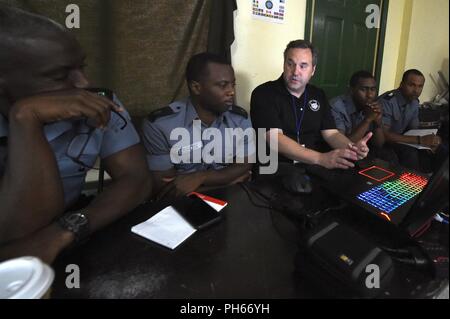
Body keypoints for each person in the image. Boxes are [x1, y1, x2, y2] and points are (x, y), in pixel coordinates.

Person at [0, 7, 151, 263]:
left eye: (82, 66)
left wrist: (67, 230)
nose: (83, 83)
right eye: (60, 75)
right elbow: (17, 232)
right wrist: (26, 117)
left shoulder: (98, 104)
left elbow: (137, 180)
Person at [142, 52, 254, 199]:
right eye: (223, 85)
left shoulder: (239, 118)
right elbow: (167, 189)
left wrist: (201, 177)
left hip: (231, 199)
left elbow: (244, 165)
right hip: (182, 206)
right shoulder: (160, 125)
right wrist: (230, 182)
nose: (231, 92)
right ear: (196, 87)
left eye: (233, 84)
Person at [250, 40, 371, 172]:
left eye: (303, 66)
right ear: (284, 65)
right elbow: (274, 139)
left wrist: (352, 148)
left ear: (313, 70)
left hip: (312, 167)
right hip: (275, 168)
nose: (295, 72)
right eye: (290, 64)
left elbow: (331, 134)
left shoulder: (318, 94)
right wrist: (320, 158)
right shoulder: (264, 93)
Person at [380, 69, 442, 171]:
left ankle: (433, 183)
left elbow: (413, 130)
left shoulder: (414, 102)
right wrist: (420, 140)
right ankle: (411, 183)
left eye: (420, 86)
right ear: (401, 84)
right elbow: (383, 135)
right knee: (409, 153)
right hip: (382, 143)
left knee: (440, 149)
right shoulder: (388, 102)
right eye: (412, 85)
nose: (416, 90)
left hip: (400, 140)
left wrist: (432, 140)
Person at [330, 70, 385, 148]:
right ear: (351, 90)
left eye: (372, 89)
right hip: (337, 153)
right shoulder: (337, 106)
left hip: (363, 151)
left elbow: (379, 144)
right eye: (363, 89)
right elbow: (342, 145)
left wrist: (377, 123)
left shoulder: (372, 107)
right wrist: (367, 120)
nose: (369, 95)